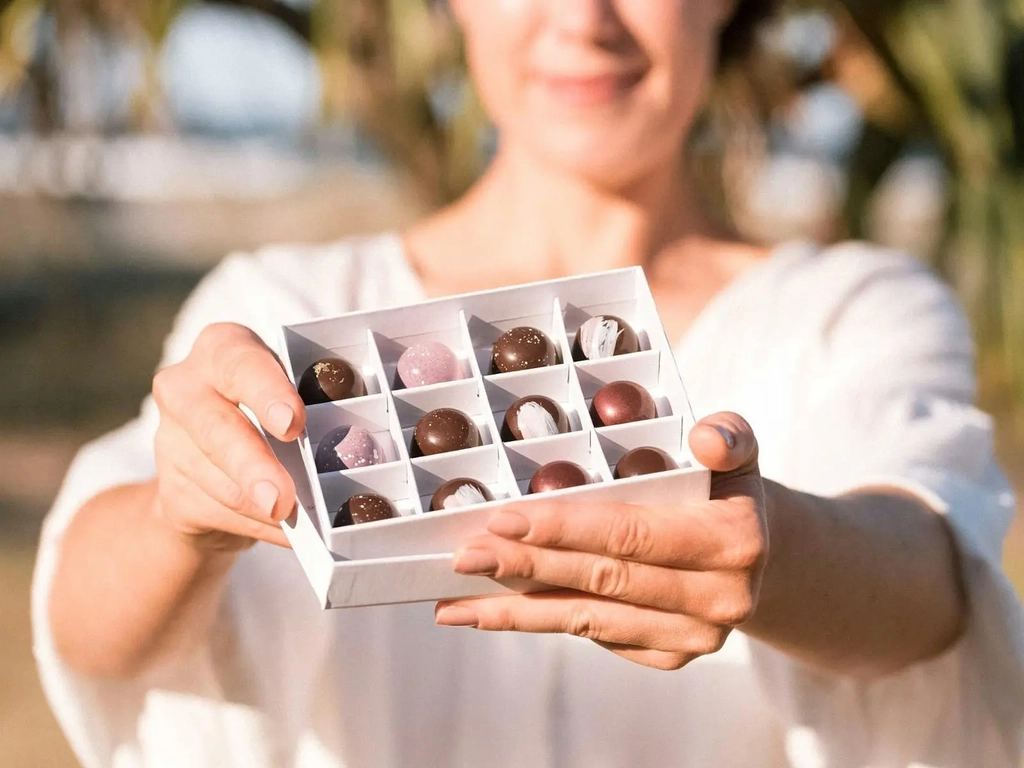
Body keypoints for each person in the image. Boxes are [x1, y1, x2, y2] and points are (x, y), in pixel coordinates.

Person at [33, 1, 1024, 766]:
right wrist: (182, 515)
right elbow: (87, 617)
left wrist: (776, 552)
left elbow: (931, 578)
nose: (583, 19)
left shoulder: (848, 308)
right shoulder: (281, 302)